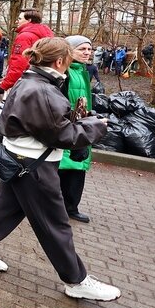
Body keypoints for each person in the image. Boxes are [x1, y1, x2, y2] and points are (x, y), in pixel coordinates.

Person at [0, 37, 120, 302]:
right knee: (54, 223)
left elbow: (48, 125)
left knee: (6, 206)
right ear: (59, 61)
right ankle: (76, 279)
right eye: (68, 60)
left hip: (21, 160)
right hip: (35, 165)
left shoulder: (30, 81)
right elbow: (61, 135)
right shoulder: (43, 89)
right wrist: (97, 126)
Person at [58, 35, 98, 224]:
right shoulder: (64, 72)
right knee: (64, 166)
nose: (87, 53)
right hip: (68, 126)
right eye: (82, 49)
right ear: (69, 50)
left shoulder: (82, 70)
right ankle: (58, 206)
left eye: (89, 50)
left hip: (80, 124)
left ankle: (71, 206)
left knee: (77, 166)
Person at [0, 8, 54, 92]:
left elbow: (19, 64)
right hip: (41, 82)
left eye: (19, 19)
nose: (17, 21)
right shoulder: (45, 35)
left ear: (29, 20)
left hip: (24, 83)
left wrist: (4, 85)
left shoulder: (25, 36)